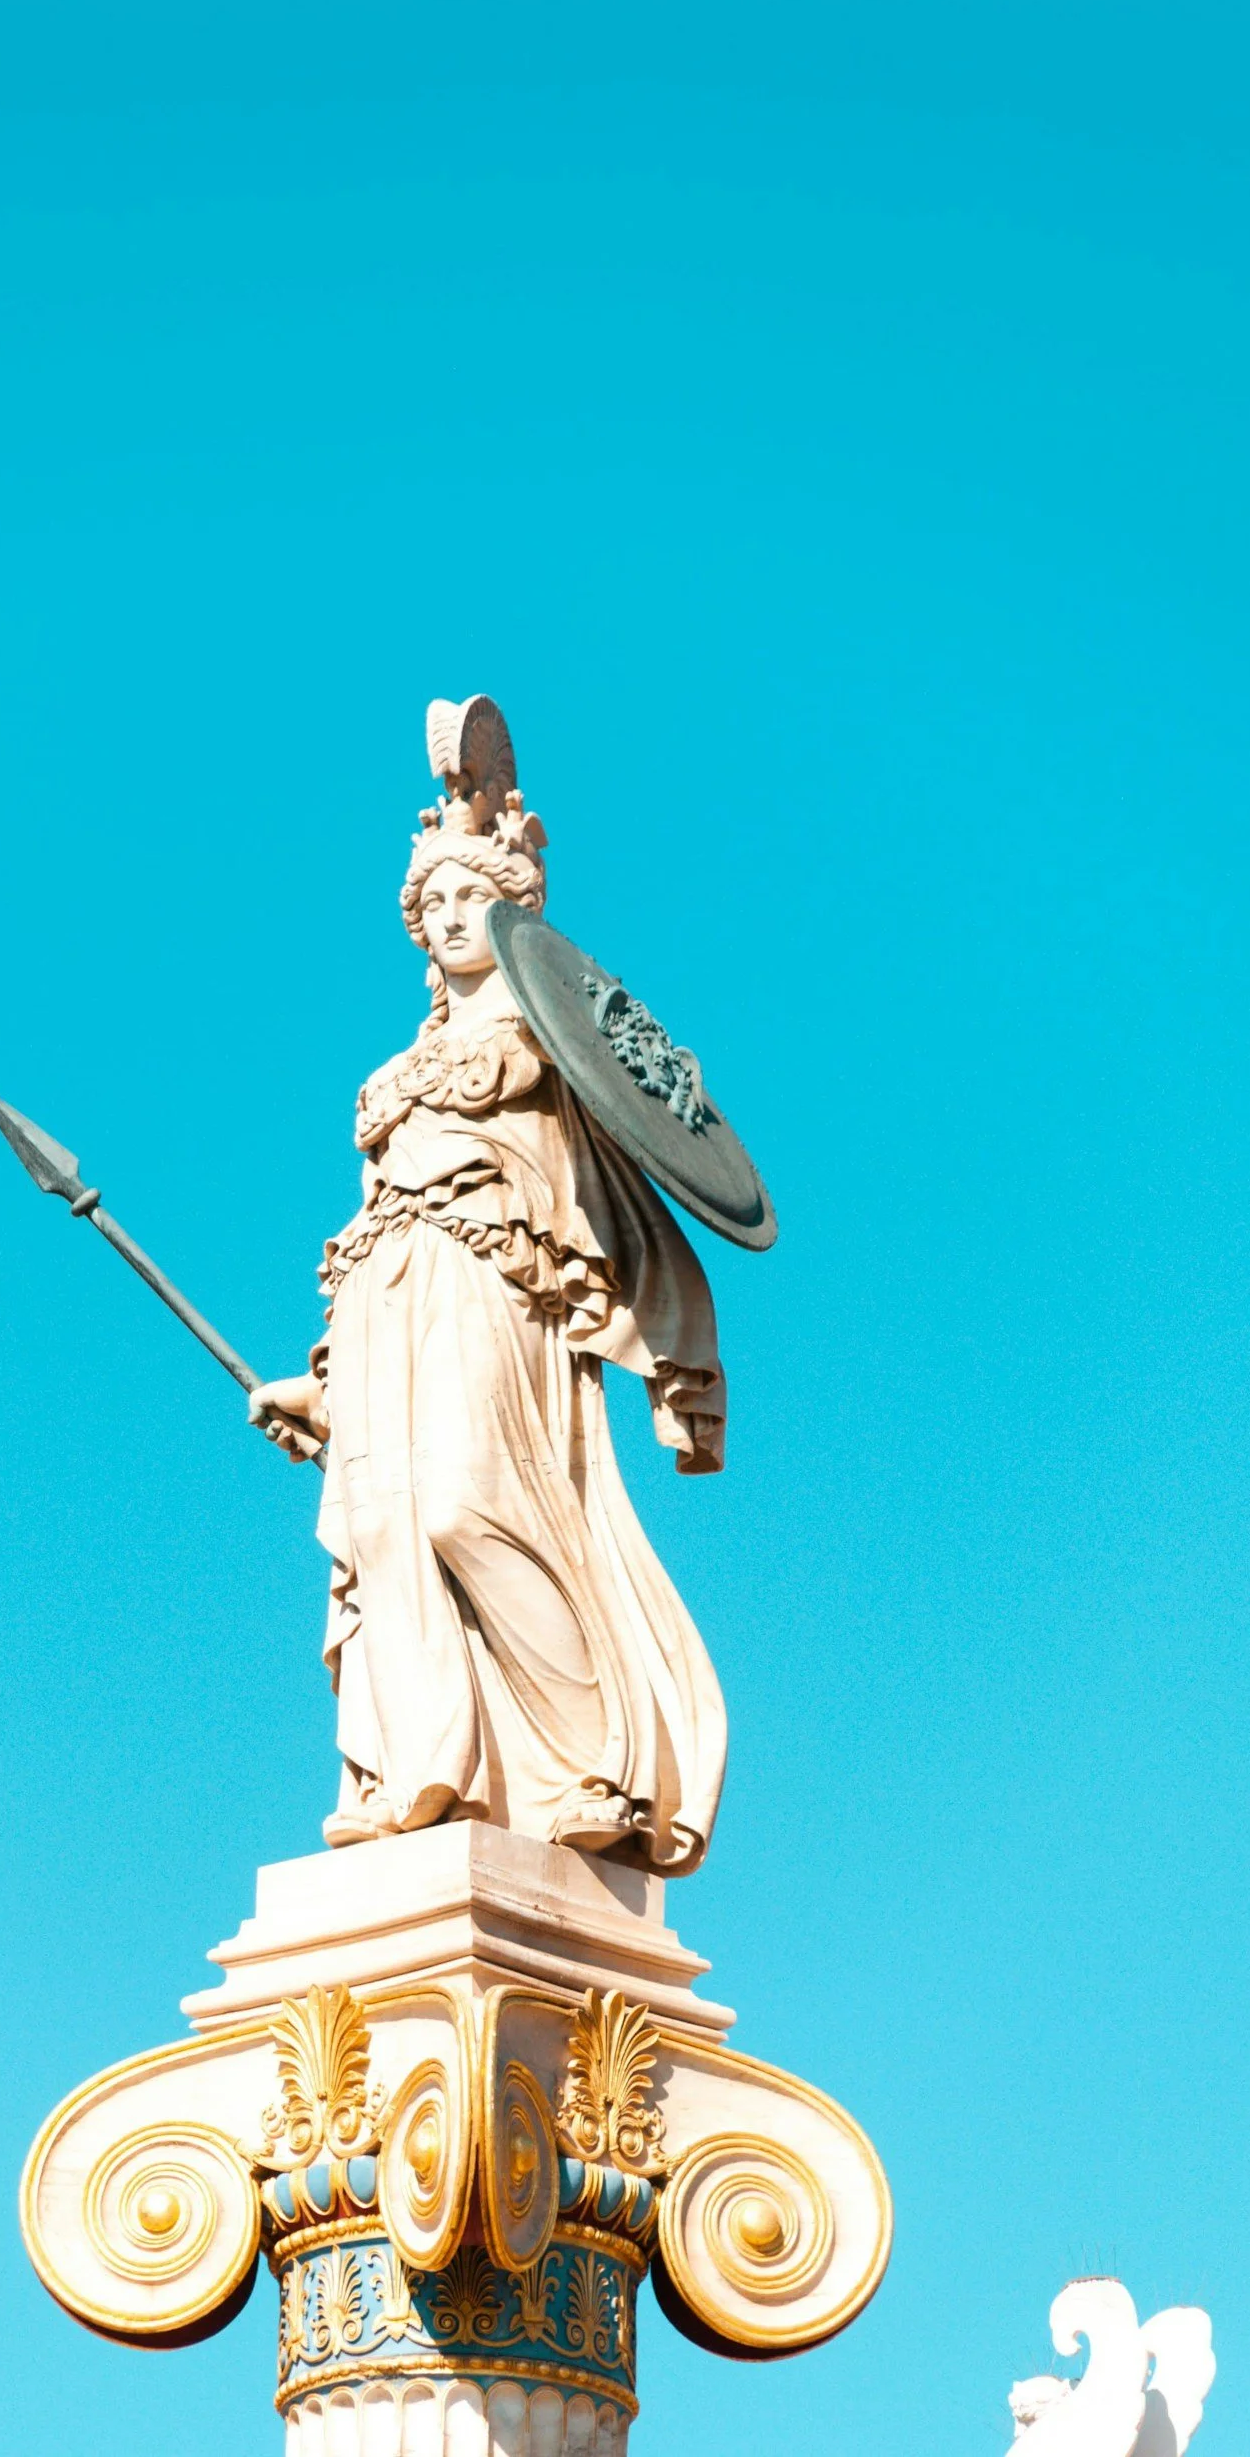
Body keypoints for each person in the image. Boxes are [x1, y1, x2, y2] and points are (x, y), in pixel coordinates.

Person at [251, 698, 728, 1875]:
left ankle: (586, 1767)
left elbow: (638, 1156)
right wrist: (325, 1385)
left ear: (512, 911)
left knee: (469, 1503)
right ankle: (423, 1768)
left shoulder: (555, 1044)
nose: (452, 915)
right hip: (386, 1296)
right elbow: (369, 1224)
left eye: (475, 897)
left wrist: (670, 1356)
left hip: (495, 1276)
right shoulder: (391, 1077)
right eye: (436, 902)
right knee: (389, 1524)